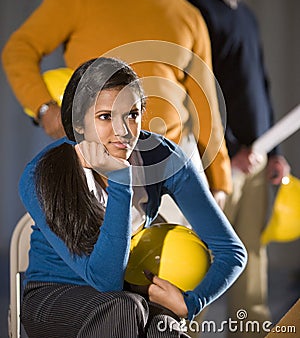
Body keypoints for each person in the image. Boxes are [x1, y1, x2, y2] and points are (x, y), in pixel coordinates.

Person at [2, 0, 232, 207]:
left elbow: (205, 103)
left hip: (173, 166)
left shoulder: (188, 15)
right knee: (102, 253)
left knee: (190, 254)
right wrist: (44, 110)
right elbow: (19, 49)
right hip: (98, 166)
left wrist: (220, 182)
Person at [19, 56, 247, 337]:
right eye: (105, 117)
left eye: (133, 114)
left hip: (129, 299)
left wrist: (191, 303)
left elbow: (231, 251)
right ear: (78, 123)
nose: (123, 130)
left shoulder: (164, 158)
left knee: (165, 329)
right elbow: (106, 281)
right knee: (125, 308)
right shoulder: (41, 173)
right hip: (54, 300)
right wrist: (120, 180)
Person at [185, 0, 290, 336]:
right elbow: (197, 88)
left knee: (253, 257)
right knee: (205, 257)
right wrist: (229, 148)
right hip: (217, 160)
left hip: (258, 156)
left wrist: (274, 152)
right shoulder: (193, 9)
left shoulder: (245, 14)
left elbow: (260, 86)